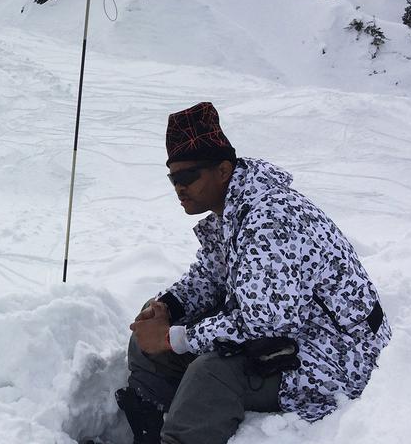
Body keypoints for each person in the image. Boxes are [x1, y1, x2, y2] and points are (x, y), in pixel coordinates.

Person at [116, 102, 390, 444]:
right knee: (155, 320)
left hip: (340, 355)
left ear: (224, 170)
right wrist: (169, 307)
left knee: (213, 372)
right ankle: (151, 425)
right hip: (297, 329)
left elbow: (266, 322)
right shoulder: (233, 209)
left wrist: (175, 339)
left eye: (188, 177)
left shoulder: (268, 219)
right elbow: (211, 274)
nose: (179, 188)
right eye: (173, 178)